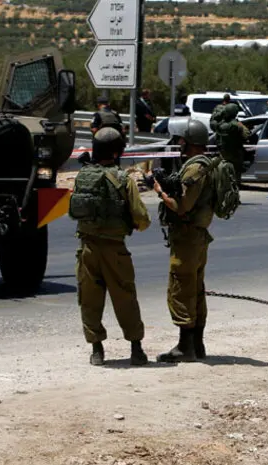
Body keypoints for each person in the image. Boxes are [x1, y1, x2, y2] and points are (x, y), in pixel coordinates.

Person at [69, 128, 152, 366]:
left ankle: (97, 350)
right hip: (115, 250)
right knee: (125, 298)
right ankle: (136, 349)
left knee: (89, 300)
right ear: (118, 152)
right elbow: (142, 219)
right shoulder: (124, 179)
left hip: (87, 249)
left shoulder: (83, 176)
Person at [151, 120, 216, 363]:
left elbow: (181, 206)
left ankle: (185, 347)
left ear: (187, 142)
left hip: (188, 237)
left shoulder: (194, 169)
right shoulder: (203, 165)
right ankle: (197, 345)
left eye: (180, 140)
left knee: (181, 289)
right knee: (195, 289)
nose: (178, 144)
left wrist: (159, 191)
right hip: (196, 236)